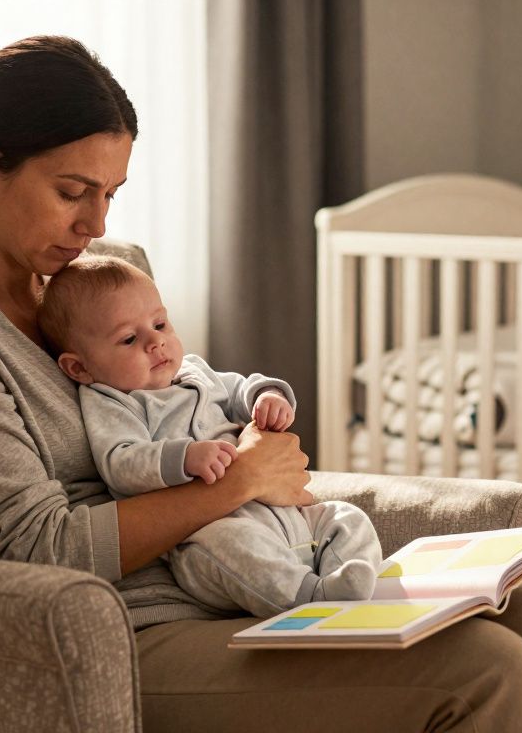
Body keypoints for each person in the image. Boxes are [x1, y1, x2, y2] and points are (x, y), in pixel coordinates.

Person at [0, 35, 522, 731]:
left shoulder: (88, 285)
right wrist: (237, 484)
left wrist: (252, 431)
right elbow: (36, 551)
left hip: (237, 580)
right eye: (71, 191)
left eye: (110, 194)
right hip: (117, 630)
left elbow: (193, 403)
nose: (94, 222)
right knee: (486, 670)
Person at [36, 255, 382, 618]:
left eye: (160, 323)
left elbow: (239, 389)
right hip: (208, 537)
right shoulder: (112, 401)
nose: (156, 343)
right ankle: (313, 598)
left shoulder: (193, 371)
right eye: (128, 339)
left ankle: (345, 577)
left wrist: (267, 398)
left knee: (345, 516)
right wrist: (183, 458)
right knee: (235, 545)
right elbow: (121, 461)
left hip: (283, 517)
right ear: (80, 367)